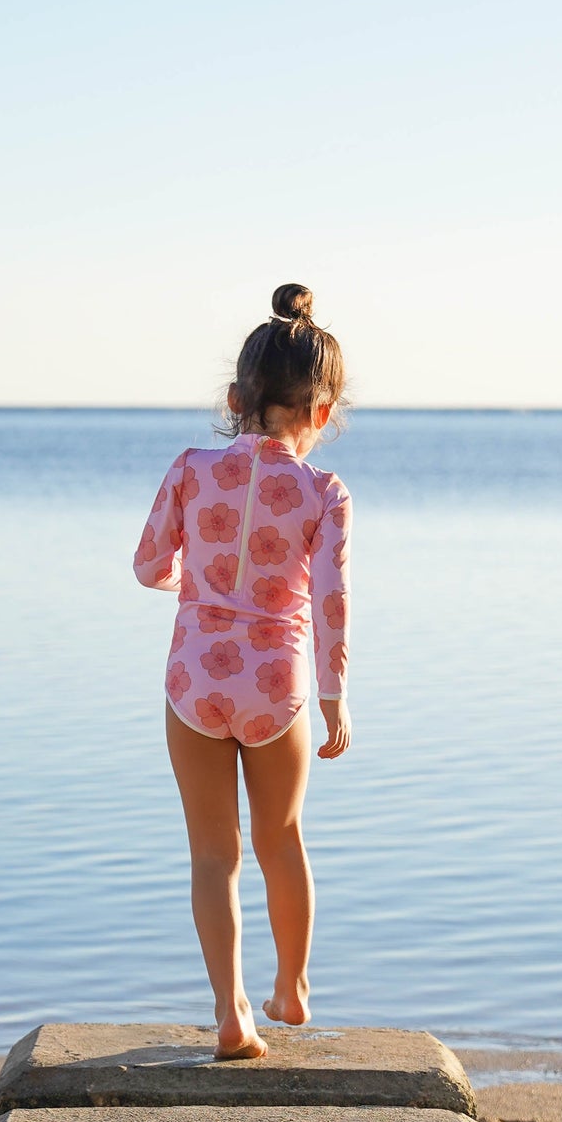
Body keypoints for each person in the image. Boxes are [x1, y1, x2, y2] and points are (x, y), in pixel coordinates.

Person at [133, 283, 351, 1061]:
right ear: (321, 413)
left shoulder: (191, 469)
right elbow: (329, 601)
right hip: (276, 683)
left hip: (195, 677)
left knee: (211, 855)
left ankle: (231, 1015)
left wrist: (194, 585)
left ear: (234, 398)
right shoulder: (323, 491)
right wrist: (333, 700)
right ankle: (290, 987)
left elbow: (148, 566)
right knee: (280, 838)